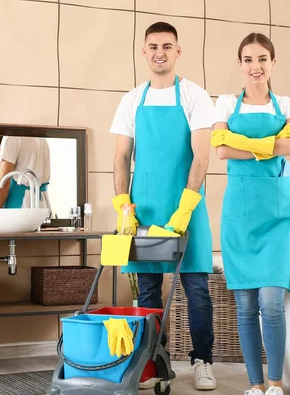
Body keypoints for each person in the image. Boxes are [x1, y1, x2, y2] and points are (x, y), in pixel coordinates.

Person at [109, 21, 217, 391]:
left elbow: (202, 154)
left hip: (186, 205)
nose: (160, 52)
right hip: (146, 209)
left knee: (196, 287)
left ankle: (203, 361)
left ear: (178, 51)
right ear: (144, 52)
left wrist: (186, 205)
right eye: (153, 46)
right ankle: (154, 362)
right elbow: (121, 156)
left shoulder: (194, 96)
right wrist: (124, 204)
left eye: (167, 46)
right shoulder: (131, 100)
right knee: (149, 291)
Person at [211, 32, 290, 395]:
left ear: (273, 63)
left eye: (263, 59)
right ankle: (255, 386)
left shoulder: (287, 103)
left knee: (271, 301)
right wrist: (270, 145)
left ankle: (276, 383)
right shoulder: (223, 104)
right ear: (240, 64)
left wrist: (244, 144)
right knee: (246, 304)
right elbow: (220, 151)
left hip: (278, 216)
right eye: (248, 59)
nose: (256, 66)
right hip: (239, 214)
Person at [0, 136, 51, 209]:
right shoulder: (42, 138)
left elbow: (4, 181)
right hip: (42, 202)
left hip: (22, 204)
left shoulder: (12, 137)